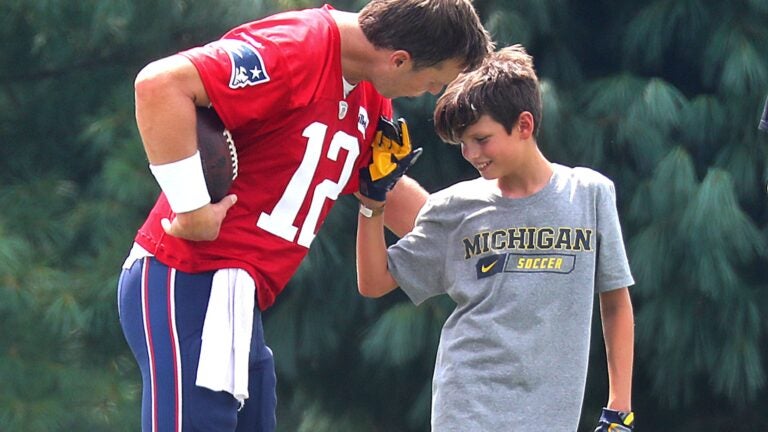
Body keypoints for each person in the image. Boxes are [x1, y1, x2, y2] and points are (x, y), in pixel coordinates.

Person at [116, 1, 492, 431]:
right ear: (399, 59)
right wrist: (191, 206)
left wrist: (481, 249)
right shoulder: (295, 48)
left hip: (236, 293)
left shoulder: (368, 88)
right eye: (432, 81)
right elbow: (159, 84)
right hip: (190, 275)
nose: (427, 92)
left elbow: (386, 189)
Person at [355, 45, 636, 431]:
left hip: (552, 415)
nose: (470, 154)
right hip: (468, 405)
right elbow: (374, 282)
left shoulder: (590, 193)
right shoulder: (455, 207)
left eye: (481, 139)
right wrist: (373, 201)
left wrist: (619, 408)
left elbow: (616, 302)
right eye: (463, 143)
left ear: (524, 125)